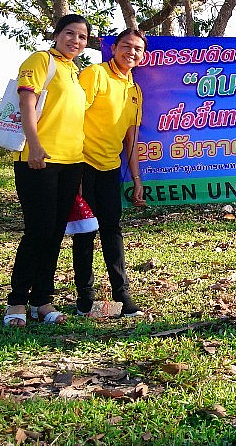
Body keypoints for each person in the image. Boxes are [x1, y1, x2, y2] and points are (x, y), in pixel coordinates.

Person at [3, 14, 91, 327]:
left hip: (71, 162)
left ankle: (42, 301)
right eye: (70, 33)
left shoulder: (74, 71)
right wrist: (35, 144)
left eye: (82, 37)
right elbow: (26, 104)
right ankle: (16, 301)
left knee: (54, 233)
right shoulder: (41, 60)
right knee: (38, 231)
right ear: (56, 35)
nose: (75, 41)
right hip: (39, 159)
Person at [73, 28, 149, 317]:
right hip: (82, 165)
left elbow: (131, 139)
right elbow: (73, 117)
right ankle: (85, 298)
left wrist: (137, 179)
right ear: (113, 48)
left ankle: (122, 295)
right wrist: (74, 170)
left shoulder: (135, 91)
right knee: (85, 231)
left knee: (112, 230)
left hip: (110, 169)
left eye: (138, 49)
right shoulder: (95, 74)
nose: (131, 52)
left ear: (143, 56)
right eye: (126, 46)